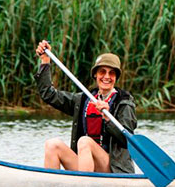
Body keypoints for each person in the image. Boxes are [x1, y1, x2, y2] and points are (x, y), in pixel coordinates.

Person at [34, 40, 136, 173]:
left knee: (85, 141)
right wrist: (45, 61)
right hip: (86, 166)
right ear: (95, 74)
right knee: (52, 145)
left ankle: (84, 186)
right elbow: (48, 94)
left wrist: (108, 119)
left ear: (116, 77)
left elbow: (127, 140)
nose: (106, 77)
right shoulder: (83, 100)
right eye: (102, 72)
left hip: (113, 168)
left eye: (111, 73)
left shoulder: (124, 102)